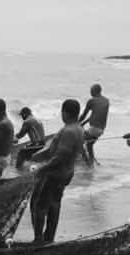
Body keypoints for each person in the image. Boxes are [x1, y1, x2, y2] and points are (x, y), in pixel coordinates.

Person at [30, 99, 85, 243]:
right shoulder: (79, 129)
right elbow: (61, 151)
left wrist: (42, 169)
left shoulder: (68, 131)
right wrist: (40, 155)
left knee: (39, 205)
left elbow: (60, 157)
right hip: (67, 172)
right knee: (54, 203)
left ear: (65, 112)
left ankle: (39, 239)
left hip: (54, 173)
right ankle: (49, 238)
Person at [78, 84, 110, 166]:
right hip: (101, 130)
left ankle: (87, 162)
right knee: (89, 144)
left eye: (91, 90)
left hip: (93, 129)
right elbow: (96, 114)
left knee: (78, 142)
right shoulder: (106, 101)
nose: (90, 92)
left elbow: (83, 115)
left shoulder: (91, 101)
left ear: (95, 91)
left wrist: (75, 123)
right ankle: (91, 162)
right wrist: (84, 123)